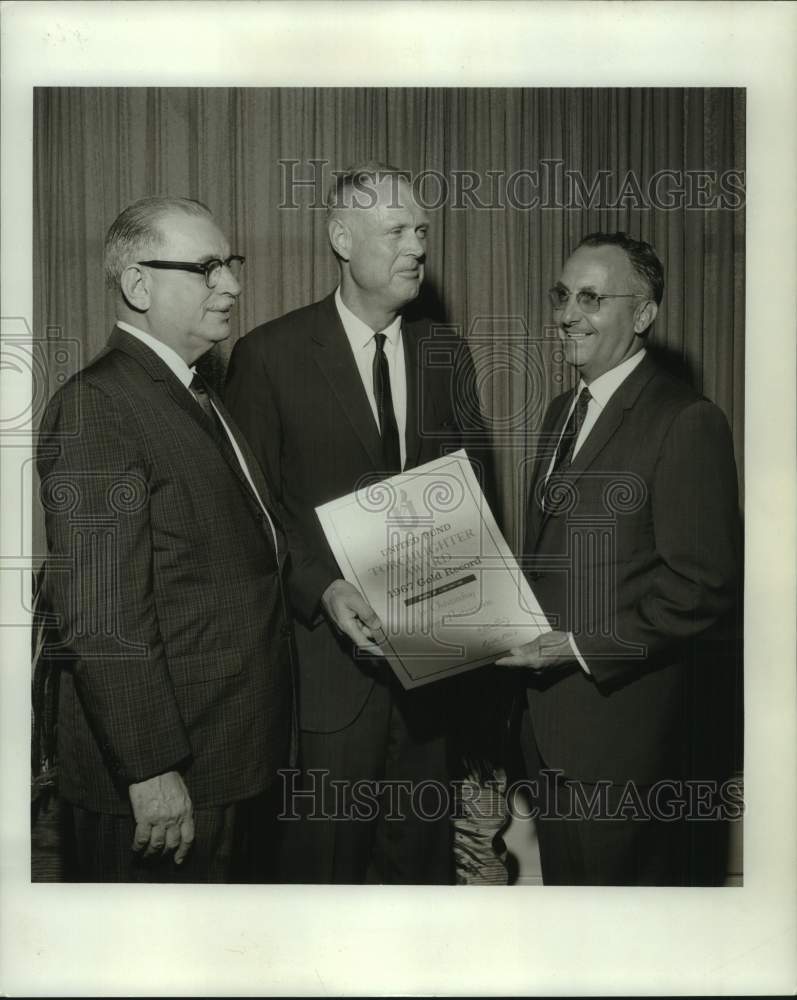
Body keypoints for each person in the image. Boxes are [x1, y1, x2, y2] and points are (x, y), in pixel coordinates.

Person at [225, 162, 488, 884]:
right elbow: (251, 516)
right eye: (396, 230)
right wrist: (323, 591)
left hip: (433, 682)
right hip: (324, 686)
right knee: (320, 884)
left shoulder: (446, 351)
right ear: (341, 237)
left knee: (420, 891)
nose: (416, 248)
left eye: (423, 231)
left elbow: (474, 497)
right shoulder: (267, 357)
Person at [38, 196, 300, 882]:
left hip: (225, 758)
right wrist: (152, 767)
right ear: (138, 284)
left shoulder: (189, 395)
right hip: (166, 783)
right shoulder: (101, 405)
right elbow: (101, 617)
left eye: (231, 265)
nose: (233, 285)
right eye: (208, 268)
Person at [497, 232, 740, 885]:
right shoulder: (559, 413)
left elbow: (703, 587)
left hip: (619, 741)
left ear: (642, 316)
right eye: (561, 295)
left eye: (590, 298)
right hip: (546, 729)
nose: (566, 315)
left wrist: (573, 648)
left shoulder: (685, 420)